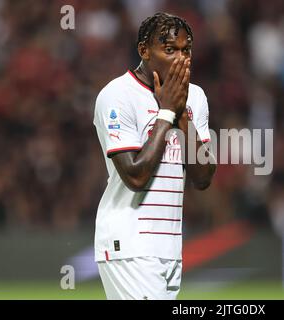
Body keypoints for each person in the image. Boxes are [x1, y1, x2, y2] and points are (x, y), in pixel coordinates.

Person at [92, 12, 216, 300]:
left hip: (170, 247)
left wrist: (182, 115)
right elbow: (135, 175)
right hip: (130, 243)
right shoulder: (117, 95)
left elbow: (203, 177)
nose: (181, 58)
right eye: (170, 49)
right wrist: (167, 112)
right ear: (144, 51)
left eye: (186, 50)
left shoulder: (195, 97)